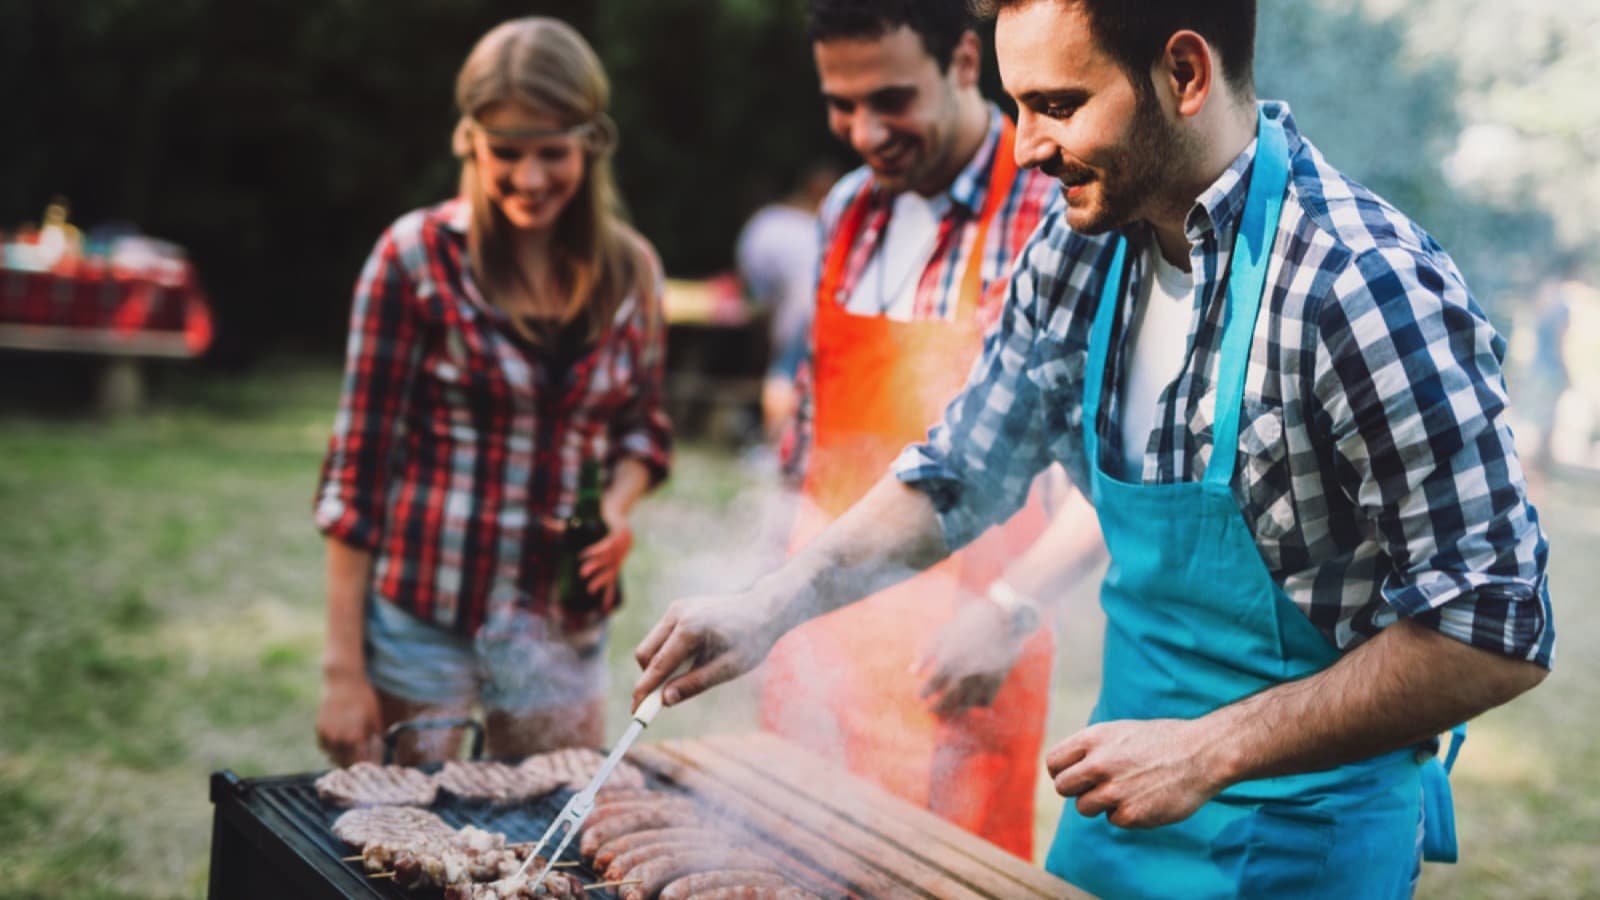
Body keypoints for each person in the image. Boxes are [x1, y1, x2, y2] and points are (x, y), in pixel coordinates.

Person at [634, 0, 1555, 895]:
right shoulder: (1081, 243)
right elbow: (961, 472)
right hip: (1118, 810)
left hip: (1305, 841)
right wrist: (770, 605)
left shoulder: (1361, 286)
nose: (1026, 146)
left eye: (1058, 106)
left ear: (1184, 73)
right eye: (1018, 105)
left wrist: (1209, 748)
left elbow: (1495, 631)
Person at [754, 0, 1098, 859]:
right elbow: (809, 433)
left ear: (963, 62)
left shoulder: (1054, 211)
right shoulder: (844, 211)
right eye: (842, 103)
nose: (866, 131)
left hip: (962, 648)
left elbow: (1106, 471)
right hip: (820, 641)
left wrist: (1011, 607)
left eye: (891, 99)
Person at [314, 17, 670, 766]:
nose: (530, 178)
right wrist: (343, 672)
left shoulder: (632, 271)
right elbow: (356, 473)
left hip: (561, 632)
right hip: (423, 623)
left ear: (591, 143)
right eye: (506, 152)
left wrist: (614, 510)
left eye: (552, 152)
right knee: (407, 846)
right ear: (468, 140)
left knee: (545, 845)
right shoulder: (411, 260)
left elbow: (644, 430)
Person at [735, 161, 839, 440]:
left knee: (784, 373)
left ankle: (776, 445)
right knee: (795, 377)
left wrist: (762, 308)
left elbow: (754, 277)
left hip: (799, 310)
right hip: (825, 308)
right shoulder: (821, 226)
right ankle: (783, 444)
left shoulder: (769, 221)